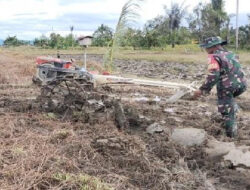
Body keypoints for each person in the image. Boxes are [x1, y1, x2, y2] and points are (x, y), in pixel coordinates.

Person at [193, 36, 247, 138]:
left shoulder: (213, 56)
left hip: (227, 87)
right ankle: (233, 108)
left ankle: (231, 136)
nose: (206, 50)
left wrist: (202, 90)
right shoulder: (231, 54)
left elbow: (214, 75)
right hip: (242, 85)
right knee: (229, 102)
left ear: (213, 46)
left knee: (226, 111)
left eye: (207, 47)